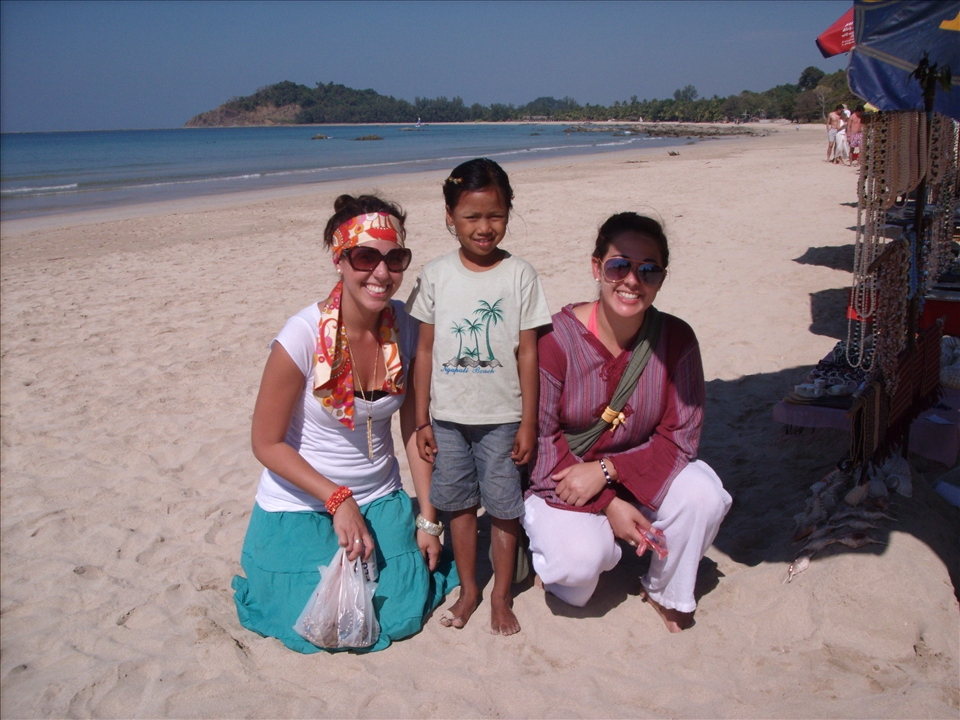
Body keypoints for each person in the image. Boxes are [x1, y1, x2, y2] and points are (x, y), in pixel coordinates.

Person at [232, 194, 458, 654]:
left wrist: (429, 519)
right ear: (340, 259)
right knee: (314, 619)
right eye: (365, 257)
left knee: (399, 611)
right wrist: (337, 499)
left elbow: (415, 431)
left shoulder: (407, 328)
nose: (382, 273)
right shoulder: (301, 337)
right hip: (301, 501)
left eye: (395, 258)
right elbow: (266, 443)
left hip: (379, 495)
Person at [523, 212, 732, 632]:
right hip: (563, 478)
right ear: (597, 267)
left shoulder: (676, 339)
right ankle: (578, 546)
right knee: (579, 570)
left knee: (704, 496)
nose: (632, 281)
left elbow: (682, 438)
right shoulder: (553, 341)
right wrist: (608, 504)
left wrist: (609, 471)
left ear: (661, 279)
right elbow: (540, 443)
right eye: (619, 266)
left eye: (648, 271)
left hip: (632, 472)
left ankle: (664, 590)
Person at [407, 158, 552, 635]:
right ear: (450, 216)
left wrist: (528, 421)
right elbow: (424, 351)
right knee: (459, 505)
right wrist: (422, 419)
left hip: (503, 418)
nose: (484, 227)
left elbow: (528, 353)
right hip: (447, 419)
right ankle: (470, 589)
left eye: (496, 215)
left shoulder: (520, 274)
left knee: (505, 508)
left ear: (508, 212)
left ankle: (501, 594)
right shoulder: (435, 274)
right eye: (471, 217)